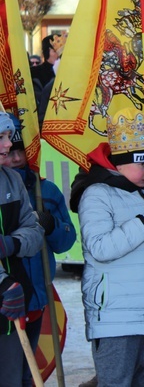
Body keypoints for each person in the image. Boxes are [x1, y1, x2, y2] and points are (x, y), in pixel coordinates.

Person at [69, 108, 144, 386]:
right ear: (119, 164)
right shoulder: (97, 194)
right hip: (115, 319)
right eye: (142, 164)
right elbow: (100, 247)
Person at [6, 117, 76, 387]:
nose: (13, 158)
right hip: (7, 296)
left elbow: (66, 240)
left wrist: (51, 225)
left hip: (35, 297)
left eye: (18, 151)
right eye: (8, 151)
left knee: (27, 372)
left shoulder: (45, 190)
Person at [0, 111, 44, 387]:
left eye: (7, 136)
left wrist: (12, 243)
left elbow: (35, 231)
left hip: (14, 301)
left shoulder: (13, 180)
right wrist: (3, 283)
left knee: (12, 379)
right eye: (1, 137)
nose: (8, 145)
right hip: (8, 289)